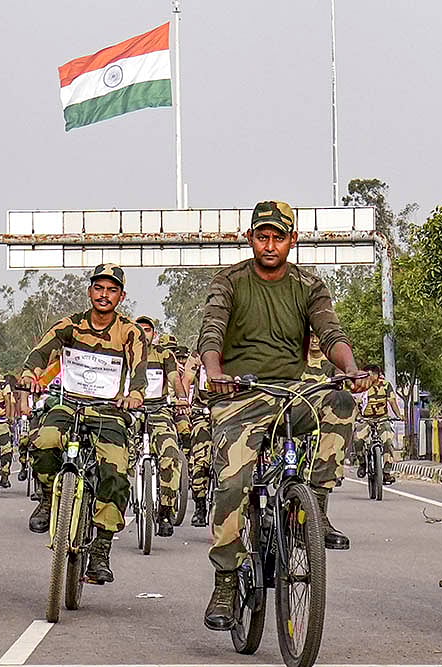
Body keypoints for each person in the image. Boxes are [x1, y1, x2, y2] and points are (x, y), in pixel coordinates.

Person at [198, 200, 368, 630]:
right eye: (262, 236)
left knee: (341, 403)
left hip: (295, 390)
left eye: (278, 236)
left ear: (293, 240)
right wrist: (215, 373)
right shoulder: (230, 281)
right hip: (241, 392)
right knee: (234, 475)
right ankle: (226, 579)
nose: (269, 244)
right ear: (250, 238)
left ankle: (318, 505)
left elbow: (330, 332)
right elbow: (212, 331)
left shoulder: (308, 284)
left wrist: (348, 369)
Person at [21, 264, 146, 584]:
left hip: (108, 412)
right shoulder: (70, 325)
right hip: (69, 404)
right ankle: (49, 498)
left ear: (121, 296)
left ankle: (102, 549)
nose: (105, 295)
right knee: (44, 441)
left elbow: (140, 370)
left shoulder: (130, 331)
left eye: (112, 289)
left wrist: (134, 393)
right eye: (99, 288)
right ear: (90, 291)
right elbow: (39, 353)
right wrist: (29, 374)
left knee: (116, 470)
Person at [133, 316, 189, 537]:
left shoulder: (164, 355)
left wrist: (182, 399)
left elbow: (175, 379)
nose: (143, 332)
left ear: (153, 334)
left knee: (170, 455)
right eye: (139, 329)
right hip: (129, 411)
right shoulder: (125, 352)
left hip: (159, 411)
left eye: (147, 329)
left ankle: (164, 511)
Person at [354, 365, 403, 483]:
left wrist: (398, 415)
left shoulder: (386, 385)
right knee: (358, 439)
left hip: (382, 419)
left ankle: (386, 471)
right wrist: (356, 417)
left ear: (376, 375)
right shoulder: (362, 387)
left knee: (388, 440)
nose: (367, 377)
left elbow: (392, 401)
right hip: (365, 419)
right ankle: (362, 464)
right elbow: (355, 404)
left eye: (369, 374)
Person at [181, 351, 212, 527]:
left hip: (230, 412)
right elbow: (186, 379)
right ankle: (200, 506)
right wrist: (184, 403)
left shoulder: (239, 349)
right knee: (200, 460)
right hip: (203, 412)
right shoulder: (197, 355)